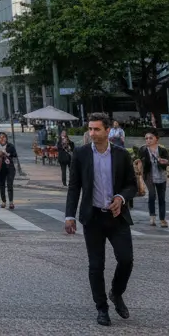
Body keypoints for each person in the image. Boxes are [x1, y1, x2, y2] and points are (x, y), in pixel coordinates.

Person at [65, 112, 138, 326]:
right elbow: (74, 186)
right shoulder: (81, 154)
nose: (92, 133)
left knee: (126, 259)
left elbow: (132, 185)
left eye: (97, 129)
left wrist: (121, 197)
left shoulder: (121, 154)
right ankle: (101, 308)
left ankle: (116, 292)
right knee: (96, 265)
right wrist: (69, 216)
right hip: (93, 216)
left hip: (117, 216)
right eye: (90, 129)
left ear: (108, 131)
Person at [136, 130, 169, 228]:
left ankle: (162, 219)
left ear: (157, 139)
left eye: (151, 138)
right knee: (151, 195)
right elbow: (139, 160)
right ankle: (152, 216)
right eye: (146, 138)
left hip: (161, 174)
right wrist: (139, 167)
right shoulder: (142, 149)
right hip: (148, 175)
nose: (148, 140)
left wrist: (164, 161)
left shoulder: (162, 149)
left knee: (161, 198)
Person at [0, 132, 21, 209]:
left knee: (10, 185)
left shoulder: (10, 146)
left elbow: (15, 155)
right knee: (2, 185)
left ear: (6, 138)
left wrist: (7, 154)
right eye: (0, 137)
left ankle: (11, 202)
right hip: (1, 169)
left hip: (10, 168)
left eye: (4, 137)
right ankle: (3, 201)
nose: (2, 139)